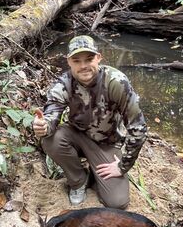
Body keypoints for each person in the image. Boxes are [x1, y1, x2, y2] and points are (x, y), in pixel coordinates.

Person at [33, 35, 147, 209]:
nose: (83, 66)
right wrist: (43, 126)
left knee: (117, 202)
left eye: (89, 59)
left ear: (99, 58)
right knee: (50, 139)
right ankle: (78, 180)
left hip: (108, 143)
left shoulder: (116, 82)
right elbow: (51, 117)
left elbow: (138, 128)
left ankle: (95, 173)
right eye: (77, 61)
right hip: (77, 136)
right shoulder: (64, 84)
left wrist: (122, 165)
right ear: (69, 62)